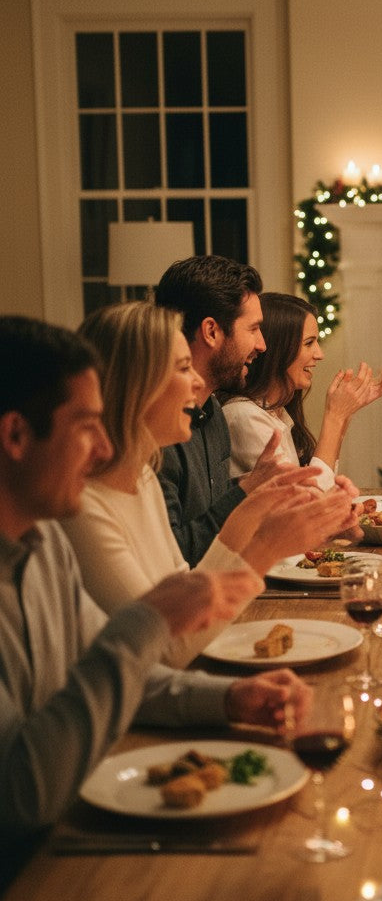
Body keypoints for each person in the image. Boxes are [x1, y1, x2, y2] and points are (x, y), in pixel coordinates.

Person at [0, 315, 274, 858]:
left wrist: (230, 699)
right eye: (85, 426)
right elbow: (23, 795)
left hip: (72, 832)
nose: (103, 449)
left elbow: (124, 671)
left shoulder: (45, 544)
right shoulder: (69, 527)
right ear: (16, 436)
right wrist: (149, 620)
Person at [59, 301, 360, 669]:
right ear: (137, 386)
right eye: (183, 368)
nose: (199, 382)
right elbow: (165, 650)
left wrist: (258, 506)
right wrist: (266, 547)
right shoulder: (84, 509)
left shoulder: (143, 477)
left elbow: (190, 584)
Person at [155, 255, 295, 567]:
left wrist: (261, 487)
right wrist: (249, 490)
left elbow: (209, 508)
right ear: (211, 331)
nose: (262, 345)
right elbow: (177, 555)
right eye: (253, 329)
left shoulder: (212, 411)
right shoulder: (159, 428)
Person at [221, 291, 382, 489]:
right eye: (309, 343)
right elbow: (308, 497)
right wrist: (335, 416)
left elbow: (325, 486)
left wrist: (345, 414)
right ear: (278, 349)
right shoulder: (244, 416)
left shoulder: (276, 412)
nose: (320, 354)